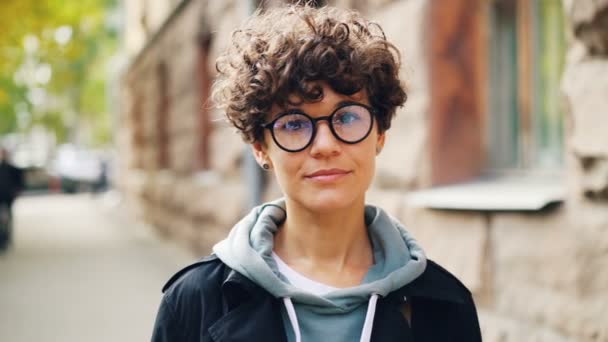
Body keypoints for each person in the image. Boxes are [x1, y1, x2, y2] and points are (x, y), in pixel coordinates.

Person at [152, 4, 481, 341]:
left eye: (348, 117)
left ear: (379, 134)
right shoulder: (194, 303)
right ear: (260, 147)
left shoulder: (444, 304)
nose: (324, 145)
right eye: (294, 124)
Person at [0, 147, 24, 248]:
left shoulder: (11, 168)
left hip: (7, 198)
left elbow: (19, 180)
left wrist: (16, 191)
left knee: (7, 218)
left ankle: (6, 238)